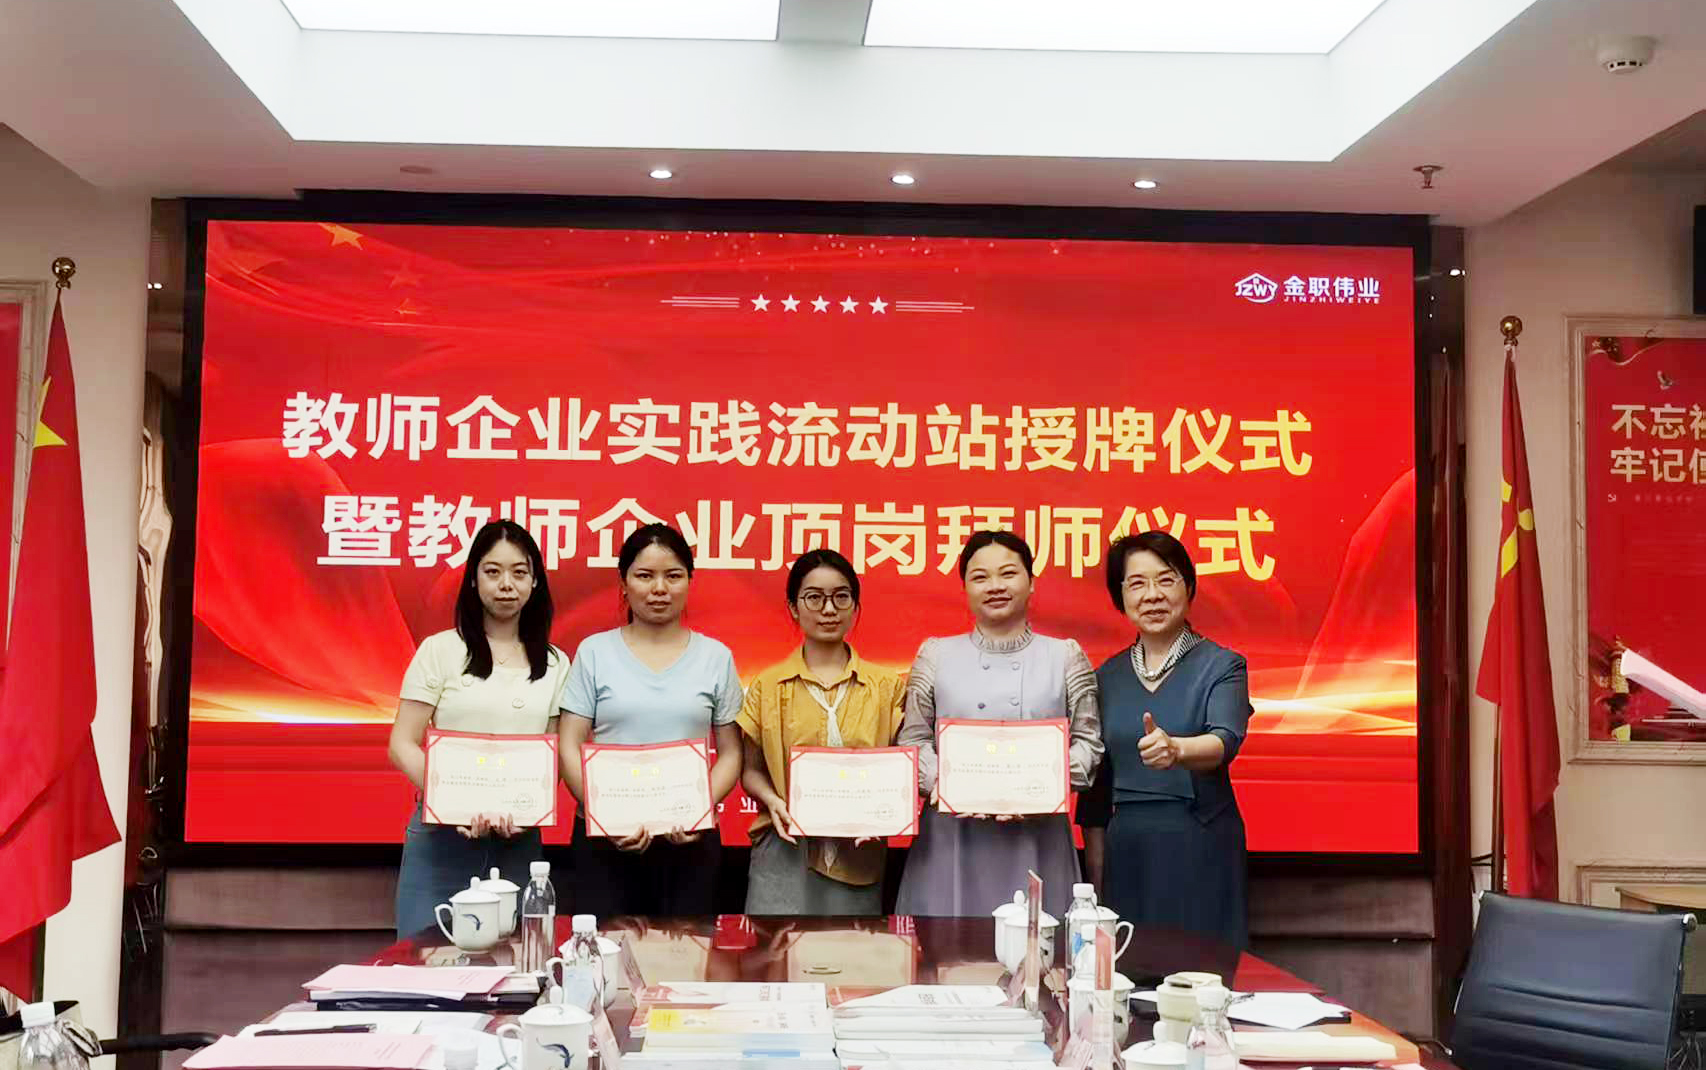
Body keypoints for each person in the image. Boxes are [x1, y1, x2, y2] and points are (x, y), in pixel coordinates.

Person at [894, 530, 1103, 918]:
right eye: (980, 577)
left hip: (1038, 836)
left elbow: (1089, 745)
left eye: (1008, 573)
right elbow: (914, 739)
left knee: (1039, 946)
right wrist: (950, 785)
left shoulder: (1065, 656)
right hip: (953, 838)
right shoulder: (935, 655)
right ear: (965, 587)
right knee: (946, 949)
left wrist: (1038, 788)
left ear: (1031, 582)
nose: (995, 586)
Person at [388, 520, 572, 939]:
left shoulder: (556, 663)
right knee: (424, 961)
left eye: (519, 572)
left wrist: (529, 811)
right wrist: (453, 803)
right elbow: (402, 743)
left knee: (517, 962)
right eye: (493, 571)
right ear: (473, 579)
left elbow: (554, 755)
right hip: (440, 839)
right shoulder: (439, 650)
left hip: (518, 841)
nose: (506, 584)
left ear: (535, 582)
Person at [1077, 531, 1252, 949]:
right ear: (1121, 596)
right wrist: (1096, 884)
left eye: (1166, 580)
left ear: (1188, 587)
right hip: (1128, 851)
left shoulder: (1223, 666)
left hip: (1201, 843)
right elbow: (1096, 795)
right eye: (1137, 583)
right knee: (1128, 969)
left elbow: (1224, 740)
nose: (1152, 595)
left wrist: (1177, 750)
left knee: (1202, 971)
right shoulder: (1106, 677)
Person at [559, 523, 744, 918]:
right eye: (645, 576)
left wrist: (698, 809)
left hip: (690, 841)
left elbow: (731, 752)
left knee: (686, 953)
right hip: (605, 840)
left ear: (689, 581)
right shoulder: (594, 652)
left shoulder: (716, 657)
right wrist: (604, 813)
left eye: (673, 576)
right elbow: (569, 744)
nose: (659, 588)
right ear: (623, 584)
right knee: (605, 951)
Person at [737, 549, 907, 915]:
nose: (828, 609)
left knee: (851, 950)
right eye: (814, 598)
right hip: (785, 850)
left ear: (855, 607)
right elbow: (750, 770)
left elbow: (899, 769)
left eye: (841, 597)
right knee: (777, 950)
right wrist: (772, 801)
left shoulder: (887, 686)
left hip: (859, 852)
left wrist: (884, 812)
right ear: (793, 608)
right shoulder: (767, 685)